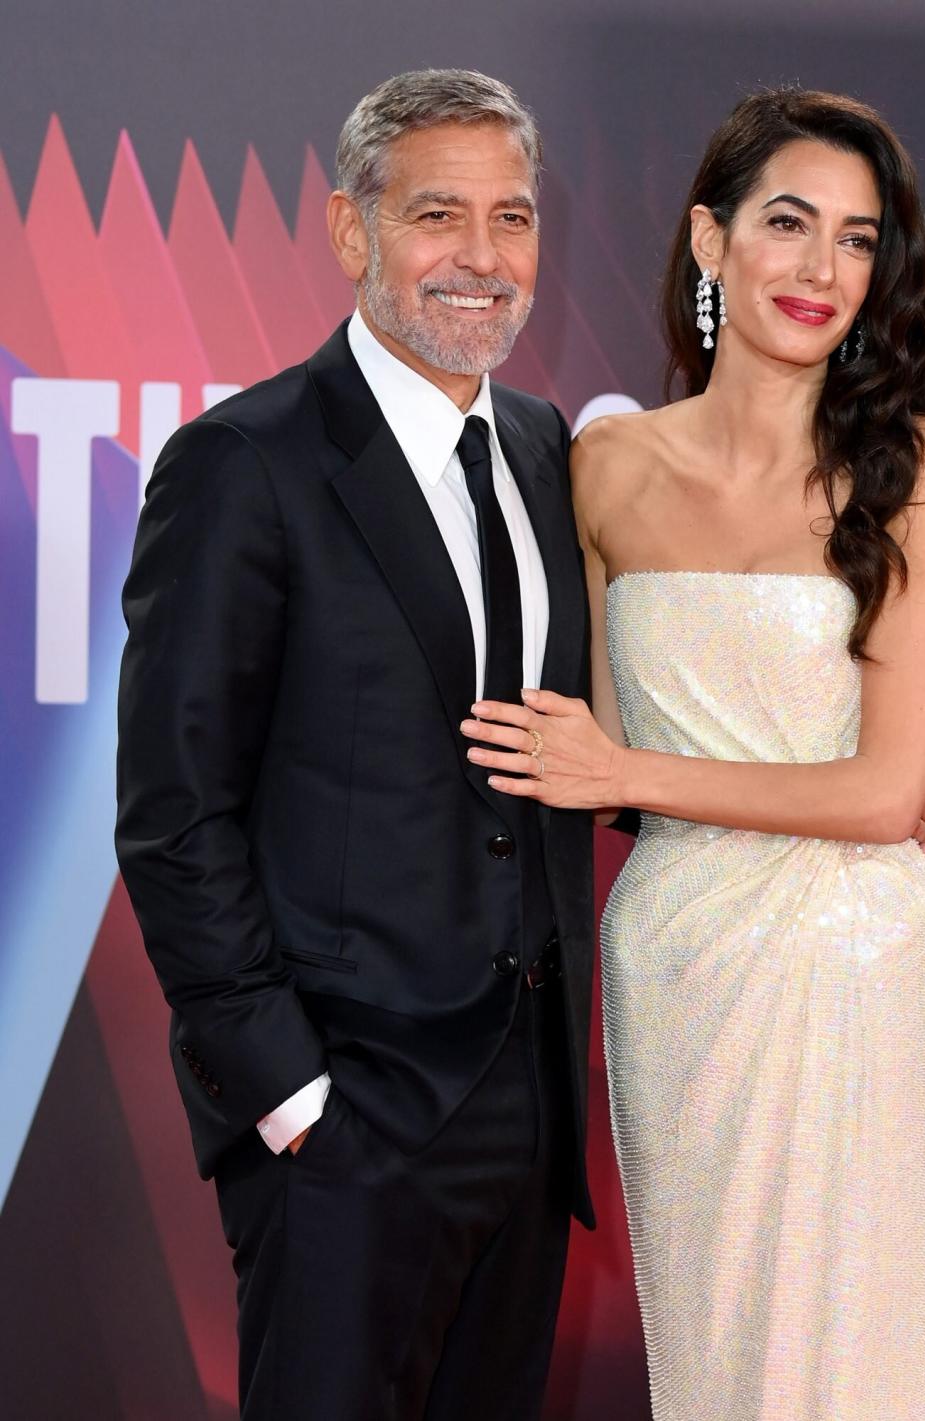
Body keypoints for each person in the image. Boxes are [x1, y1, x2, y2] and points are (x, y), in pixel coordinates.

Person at [462, 88, 925, 1420]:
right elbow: (573, 729)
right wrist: (618, 775)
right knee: (705, 1355)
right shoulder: (604, 466)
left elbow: (880, 797)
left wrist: (627, 778)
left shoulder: (918, 467)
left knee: (849, 1358)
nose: (821, 269)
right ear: (710, 242)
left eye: (858, 239)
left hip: (856, 964)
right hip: (678, 966)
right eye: (786, 222)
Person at [115, 69, 595, 1421]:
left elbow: (567, 749)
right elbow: (172, 810)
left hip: (528, 1102)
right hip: (346, 1112)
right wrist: (289, 1094)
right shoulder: (245, 462)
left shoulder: (550, 452)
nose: (483, 259)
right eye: (438, 214)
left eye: (512, 218)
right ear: (349, 230)